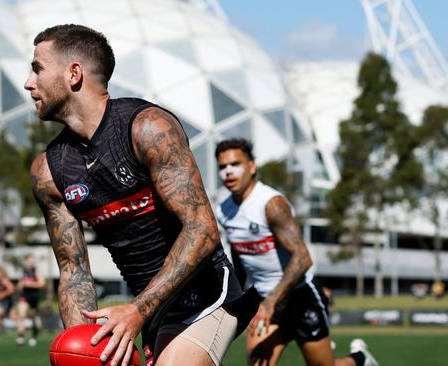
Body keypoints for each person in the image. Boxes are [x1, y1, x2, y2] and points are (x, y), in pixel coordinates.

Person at [26, 24, 259, 366]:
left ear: (74, 73)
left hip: (207, 295)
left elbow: (203, 230)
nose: (29, 83)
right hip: (147, 312)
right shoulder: (48, 171)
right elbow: (74, 272)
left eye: (37, 69)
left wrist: (137, 310)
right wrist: (87, 347)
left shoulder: (148, 128)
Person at [214, 138, 378, 366]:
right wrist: (240, 297)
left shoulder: (271, 204)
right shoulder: (224, 210)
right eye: (222, 167)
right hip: (265, 302)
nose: (228, 172)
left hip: (300, 298)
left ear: (252, 166)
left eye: (235, 164)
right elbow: (240, 251)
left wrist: (271, 301)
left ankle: (360, 360)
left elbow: (303, 258)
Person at [15, 254, 46, 347]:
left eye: (32, 260)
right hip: (24, 296)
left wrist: (30, 284)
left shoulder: (37, 271)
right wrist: (20, 285)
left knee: (35, 320)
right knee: (21, 315)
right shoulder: (24, 271)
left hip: (34, 297)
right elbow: (20, 284)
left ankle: (33, 336)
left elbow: (42, 284)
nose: (31, 262)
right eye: (29, 260)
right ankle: (20, 337)